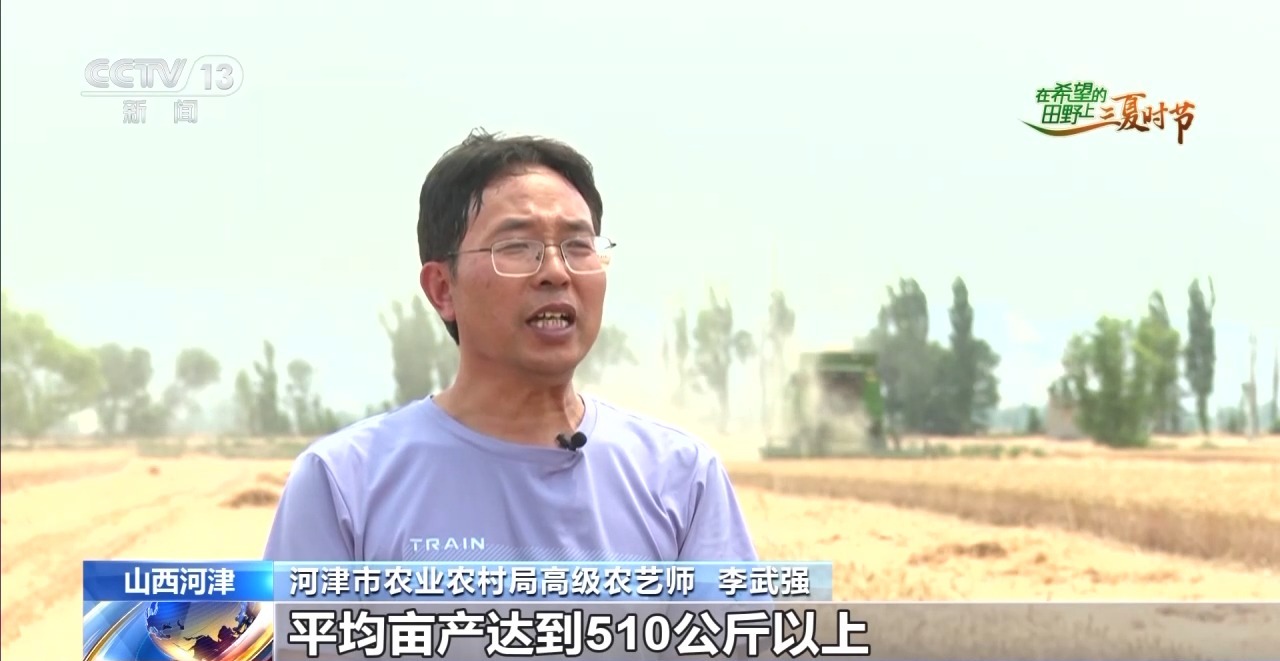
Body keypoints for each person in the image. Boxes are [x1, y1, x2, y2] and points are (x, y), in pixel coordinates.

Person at [263, 130, 759, 564]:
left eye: (578, 246)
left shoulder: (681, 478)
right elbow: (252, 634)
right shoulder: (343, 484)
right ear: (442, 288)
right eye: (517, 247)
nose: (555, 272)